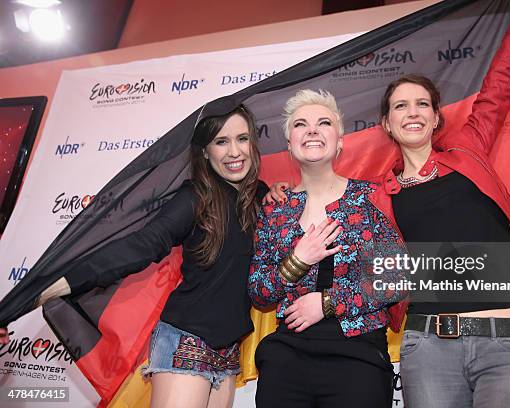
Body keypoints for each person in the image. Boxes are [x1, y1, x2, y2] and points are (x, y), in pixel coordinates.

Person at [0, 105, 267, 408]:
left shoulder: (259, 196)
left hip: (228, 350)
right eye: (221, 141)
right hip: (187, 343)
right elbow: (142, 245)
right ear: (205, 151)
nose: (235, 151)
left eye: (242, 139)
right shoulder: (194, 199)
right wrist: (39, 293)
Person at [377, 0, 510, 407]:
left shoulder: (469, 150)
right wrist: (276, 192)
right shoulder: (378, 195)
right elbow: (326, 194)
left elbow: (499, 80)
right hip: (430, 348)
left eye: (423, 103)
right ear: (387, 123)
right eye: (400, 105)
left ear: (436, 117)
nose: (413, 112)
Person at [248, 89, 406, 408]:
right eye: (300, 124)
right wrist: (297, 261)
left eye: (323, 122)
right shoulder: (274, 210)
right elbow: (259, 294)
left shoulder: (371, 198)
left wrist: (328, 303)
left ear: (340, 140)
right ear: (290, 144)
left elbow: (396, 279)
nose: (312, 129)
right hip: (286, 358)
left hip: (358, 354)